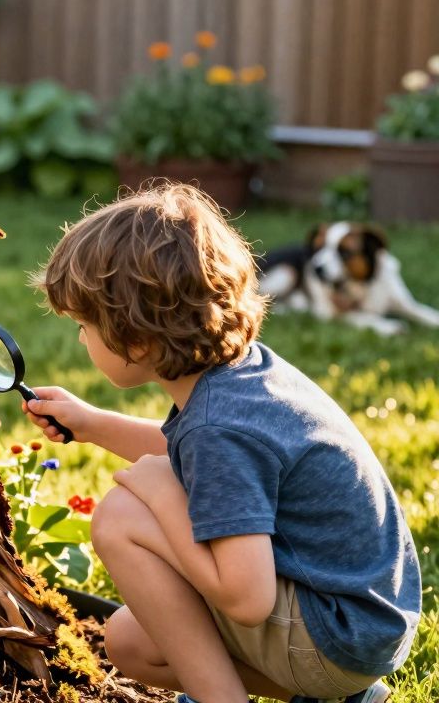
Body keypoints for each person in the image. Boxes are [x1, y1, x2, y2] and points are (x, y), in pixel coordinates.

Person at [22, 184, 418, 703]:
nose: (78, 338)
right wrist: (92, 423)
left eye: (84, 325)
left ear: (136, 339)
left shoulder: (218, 426)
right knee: (131, 641)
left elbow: (248, 599)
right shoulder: (240, 379)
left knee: (122, 518)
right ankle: (342, 699)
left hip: (337, 636)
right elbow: (198, 459)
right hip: (362, 622)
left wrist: (162, 495)